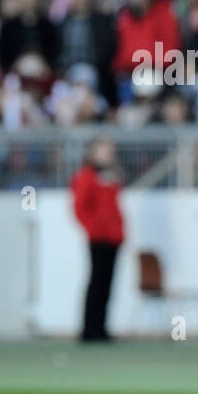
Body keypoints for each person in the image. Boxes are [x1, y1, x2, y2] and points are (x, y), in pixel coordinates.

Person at [71, 136, 124, 343]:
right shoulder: (87, 176)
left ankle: (100, 328)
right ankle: (89, 329)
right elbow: (80, 208)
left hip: (113, 238)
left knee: (106, 285)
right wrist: (94, 228)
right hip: (99, 238)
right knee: (97, 283)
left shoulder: (110, 176)